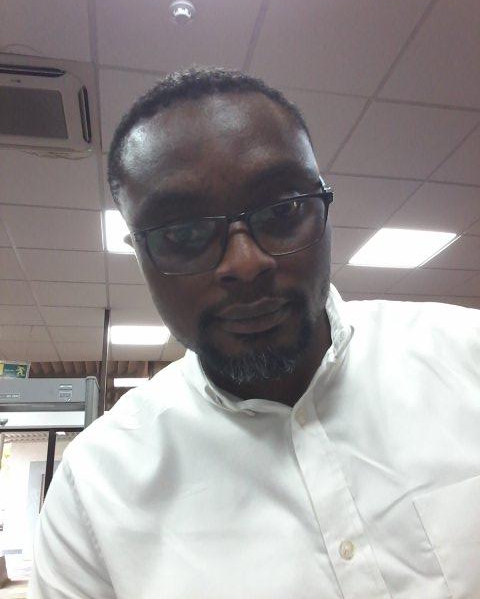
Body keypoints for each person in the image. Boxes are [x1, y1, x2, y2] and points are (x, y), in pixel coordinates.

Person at [28, 67, 480, 599]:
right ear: (139, 253)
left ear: (324, 206)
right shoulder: (93, 495)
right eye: (183, 232)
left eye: (283, 209)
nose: (245, 264)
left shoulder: (467, 354)